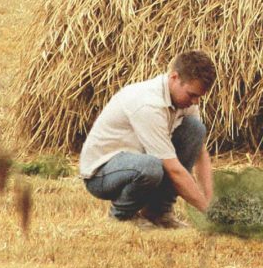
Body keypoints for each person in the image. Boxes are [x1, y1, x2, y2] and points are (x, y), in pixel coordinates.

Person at [80, 50, 216, 228]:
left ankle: (158, 213)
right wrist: (208, 212)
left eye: (199, 96)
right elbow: (173, 170)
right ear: (174, 77)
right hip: (101, 173)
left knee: (195, 130)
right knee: (152, 166)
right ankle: (122, 217)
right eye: (192, 95)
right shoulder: (148, 104)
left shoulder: (184, 101)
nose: (196, 101)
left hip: (138, 161)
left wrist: (213, 204)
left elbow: (200, 152)